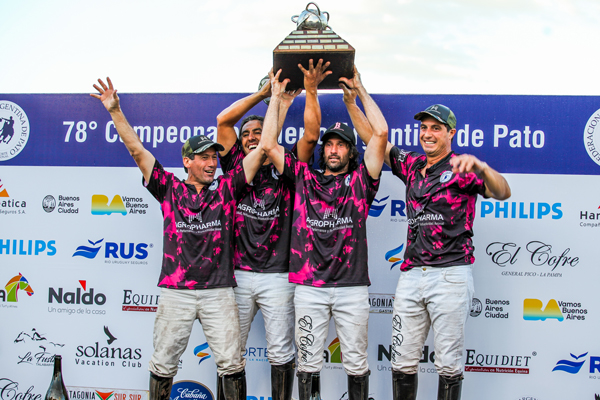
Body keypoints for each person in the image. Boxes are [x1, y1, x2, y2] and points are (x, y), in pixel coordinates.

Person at [91, 77, 271, 400]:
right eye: (204, 157)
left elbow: (261, 152)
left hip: (219, 292)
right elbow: (137, 150)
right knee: (163, 364)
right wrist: (115, 111)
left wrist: (275, 100)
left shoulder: (227, 189)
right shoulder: (169, 189)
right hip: (177, 292)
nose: (212, 163)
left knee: (232, 364)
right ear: (187, 161)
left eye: (214, 157)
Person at [350, 103, 511, 400]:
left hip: (450, 275)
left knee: (448, 364)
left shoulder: (463, 168)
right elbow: (375, 140)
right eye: (424, 127)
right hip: (412, 275)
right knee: (401, 360)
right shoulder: (412, 164)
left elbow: (503, 192)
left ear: (451, 133)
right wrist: (352, 100)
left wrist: (483, 167)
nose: (427, 133)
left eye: (436, 128)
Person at [262, 67, 388, 400]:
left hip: (351, 288)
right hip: (309, 288)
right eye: (329, 144)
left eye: (341, 145)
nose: (333, 150)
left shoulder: (362, 181)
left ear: (350, 151)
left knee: (357, 363)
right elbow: (268, 145)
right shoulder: (304, 178)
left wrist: (357, 94)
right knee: (307, 363)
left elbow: (380, 134)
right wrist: (277, 98)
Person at [215, 60, 330, 400]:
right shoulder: (234, 166)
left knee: (281, 351)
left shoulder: (288, 165)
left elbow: (311, 136)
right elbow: (223, 122)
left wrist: (292, 98)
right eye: (246, 135)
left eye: (257, 132)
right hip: (236, 275)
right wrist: (264, 94)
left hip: (278, 275)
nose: (252, 138)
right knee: (229, 351)